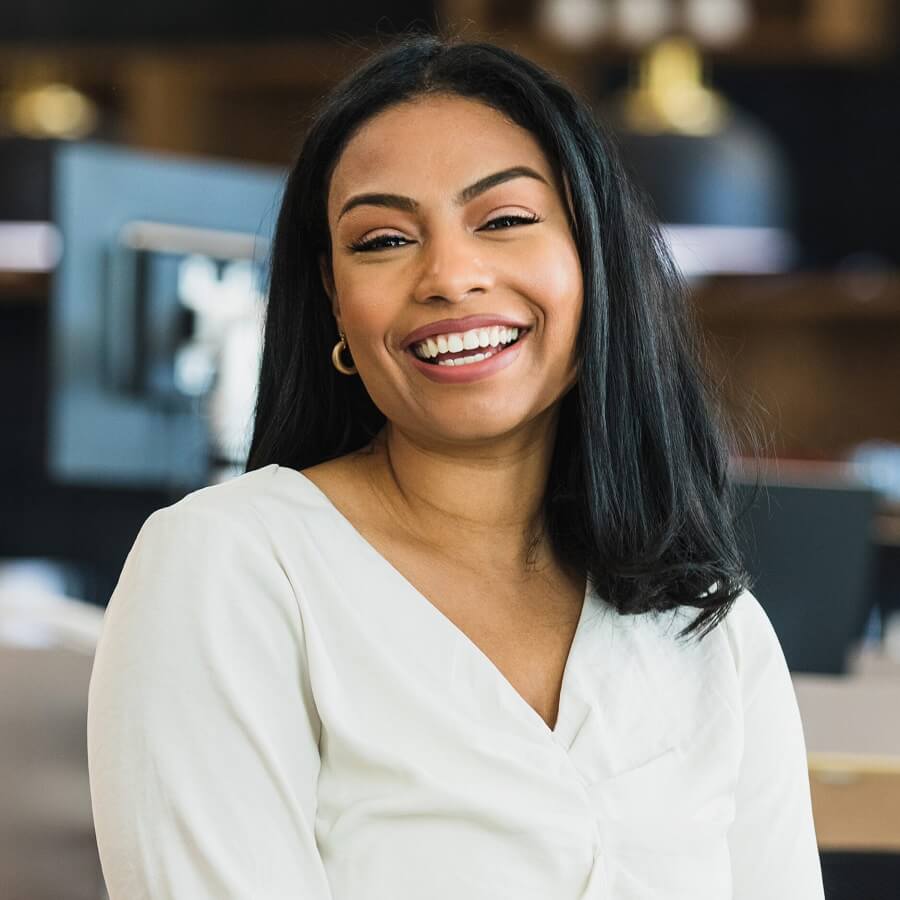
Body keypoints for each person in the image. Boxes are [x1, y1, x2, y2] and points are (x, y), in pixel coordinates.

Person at [87, 33, 825, 899]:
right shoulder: (232, 567)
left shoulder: (713, 632)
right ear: (334, 300)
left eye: (505, 221)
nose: (449, 276)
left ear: (595, 263)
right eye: (383, 240)